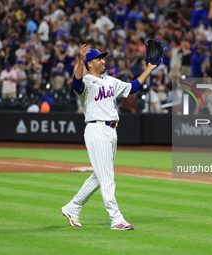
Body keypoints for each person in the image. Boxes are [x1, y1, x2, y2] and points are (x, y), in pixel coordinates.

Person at [61, 44, 158, 230]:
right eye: (98, 59)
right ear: (89, 64)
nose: (103, 61)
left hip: (112, 130)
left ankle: (72, 207)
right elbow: (76, 84)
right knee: (107, 176)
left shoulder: (110, 80)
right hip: (96, 128)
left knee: (100, 175)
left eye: (103, 58)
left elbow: (132, 88)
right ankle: (116, 219)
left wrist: (149, 69)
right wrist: (80, 60)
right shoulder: (87, 81)